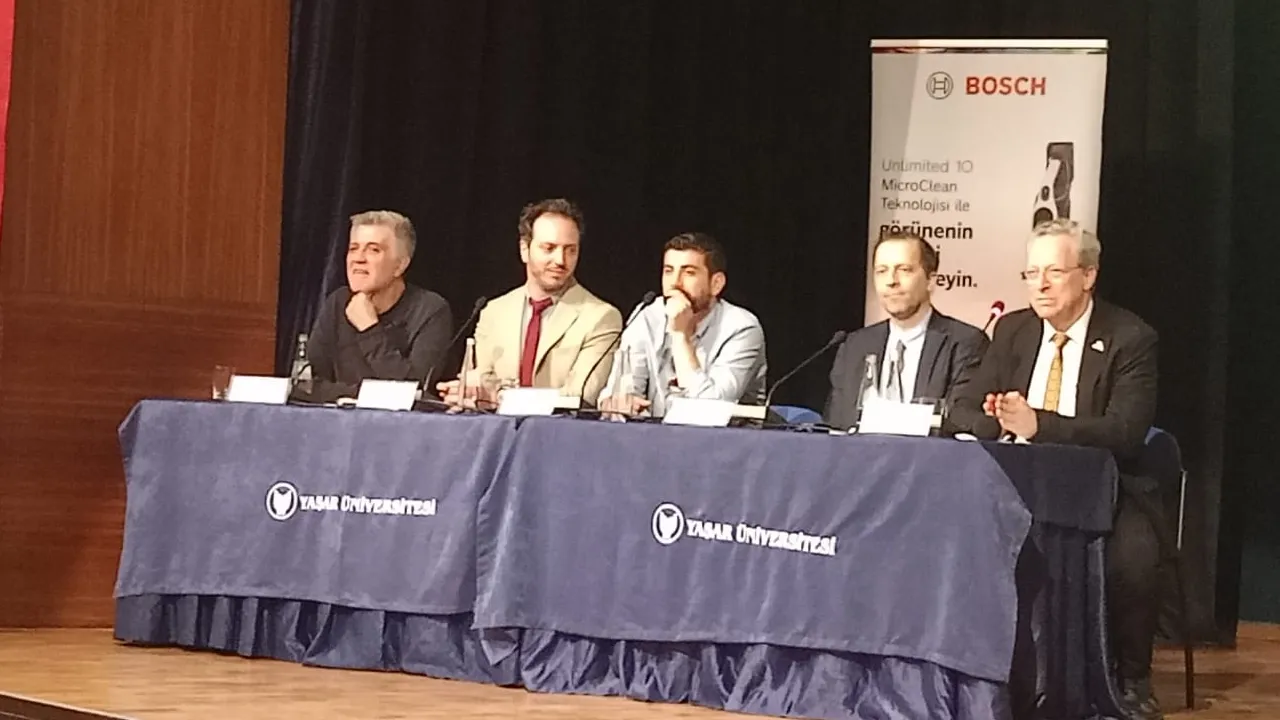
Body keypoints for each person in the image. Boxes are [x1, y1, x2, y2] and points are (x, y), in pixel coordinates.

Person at [950, 219, 1163, 719]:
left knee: (1133, 559)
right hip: (1018, 483)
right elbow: (961, 406)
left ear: (1088, 276)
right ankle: (972, 668)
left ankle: (1132, 678)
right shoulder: (1014, 329)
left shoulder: (1130, 338)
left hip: (1107, 485)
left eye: (1054, 272)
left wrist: (1039, 424)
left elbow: (1125, 431)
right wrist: (995, 418)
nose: (1040, 285)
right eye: (1031, 273)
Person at [438, 198, 621, 406]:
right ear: (524, 249)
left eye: (570, 250)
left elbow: (579, 397)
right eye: (549, 248)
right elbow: (482, 382)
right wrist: (470, 392)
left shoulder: (601, 317)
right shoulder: (494, 311)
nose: (560, 260)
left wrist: (498, 396)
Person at [823, 228, 988, 431]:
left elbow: (957, 422)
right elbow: (836, 424)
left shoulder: (965, 344)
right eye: (881, 271)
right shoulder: (854, 346)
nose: (891, 281)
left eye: (904, 269)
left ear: (931, 281)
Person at [598, 232, 766, 417]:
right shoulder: (647, 316)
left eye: (689, 273)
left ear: (716, 284)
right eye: (668, 271)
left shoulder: (742, 328)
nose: (675, 283)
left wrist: (680, 336)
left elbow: (711, 411)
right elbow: (620, 392)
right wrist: (622, 403)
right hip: (653, 433)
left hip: (726, 435)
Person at [304, 210, 452, 396]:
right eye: (353, 248)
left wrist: (369, 330)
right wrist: (363, 395)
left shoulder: (430, 310)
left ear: (400, 265)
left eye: (373, 250)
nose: (358, 258)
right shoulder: (337, 302)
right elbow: (309, 386)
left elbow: (413, 393)